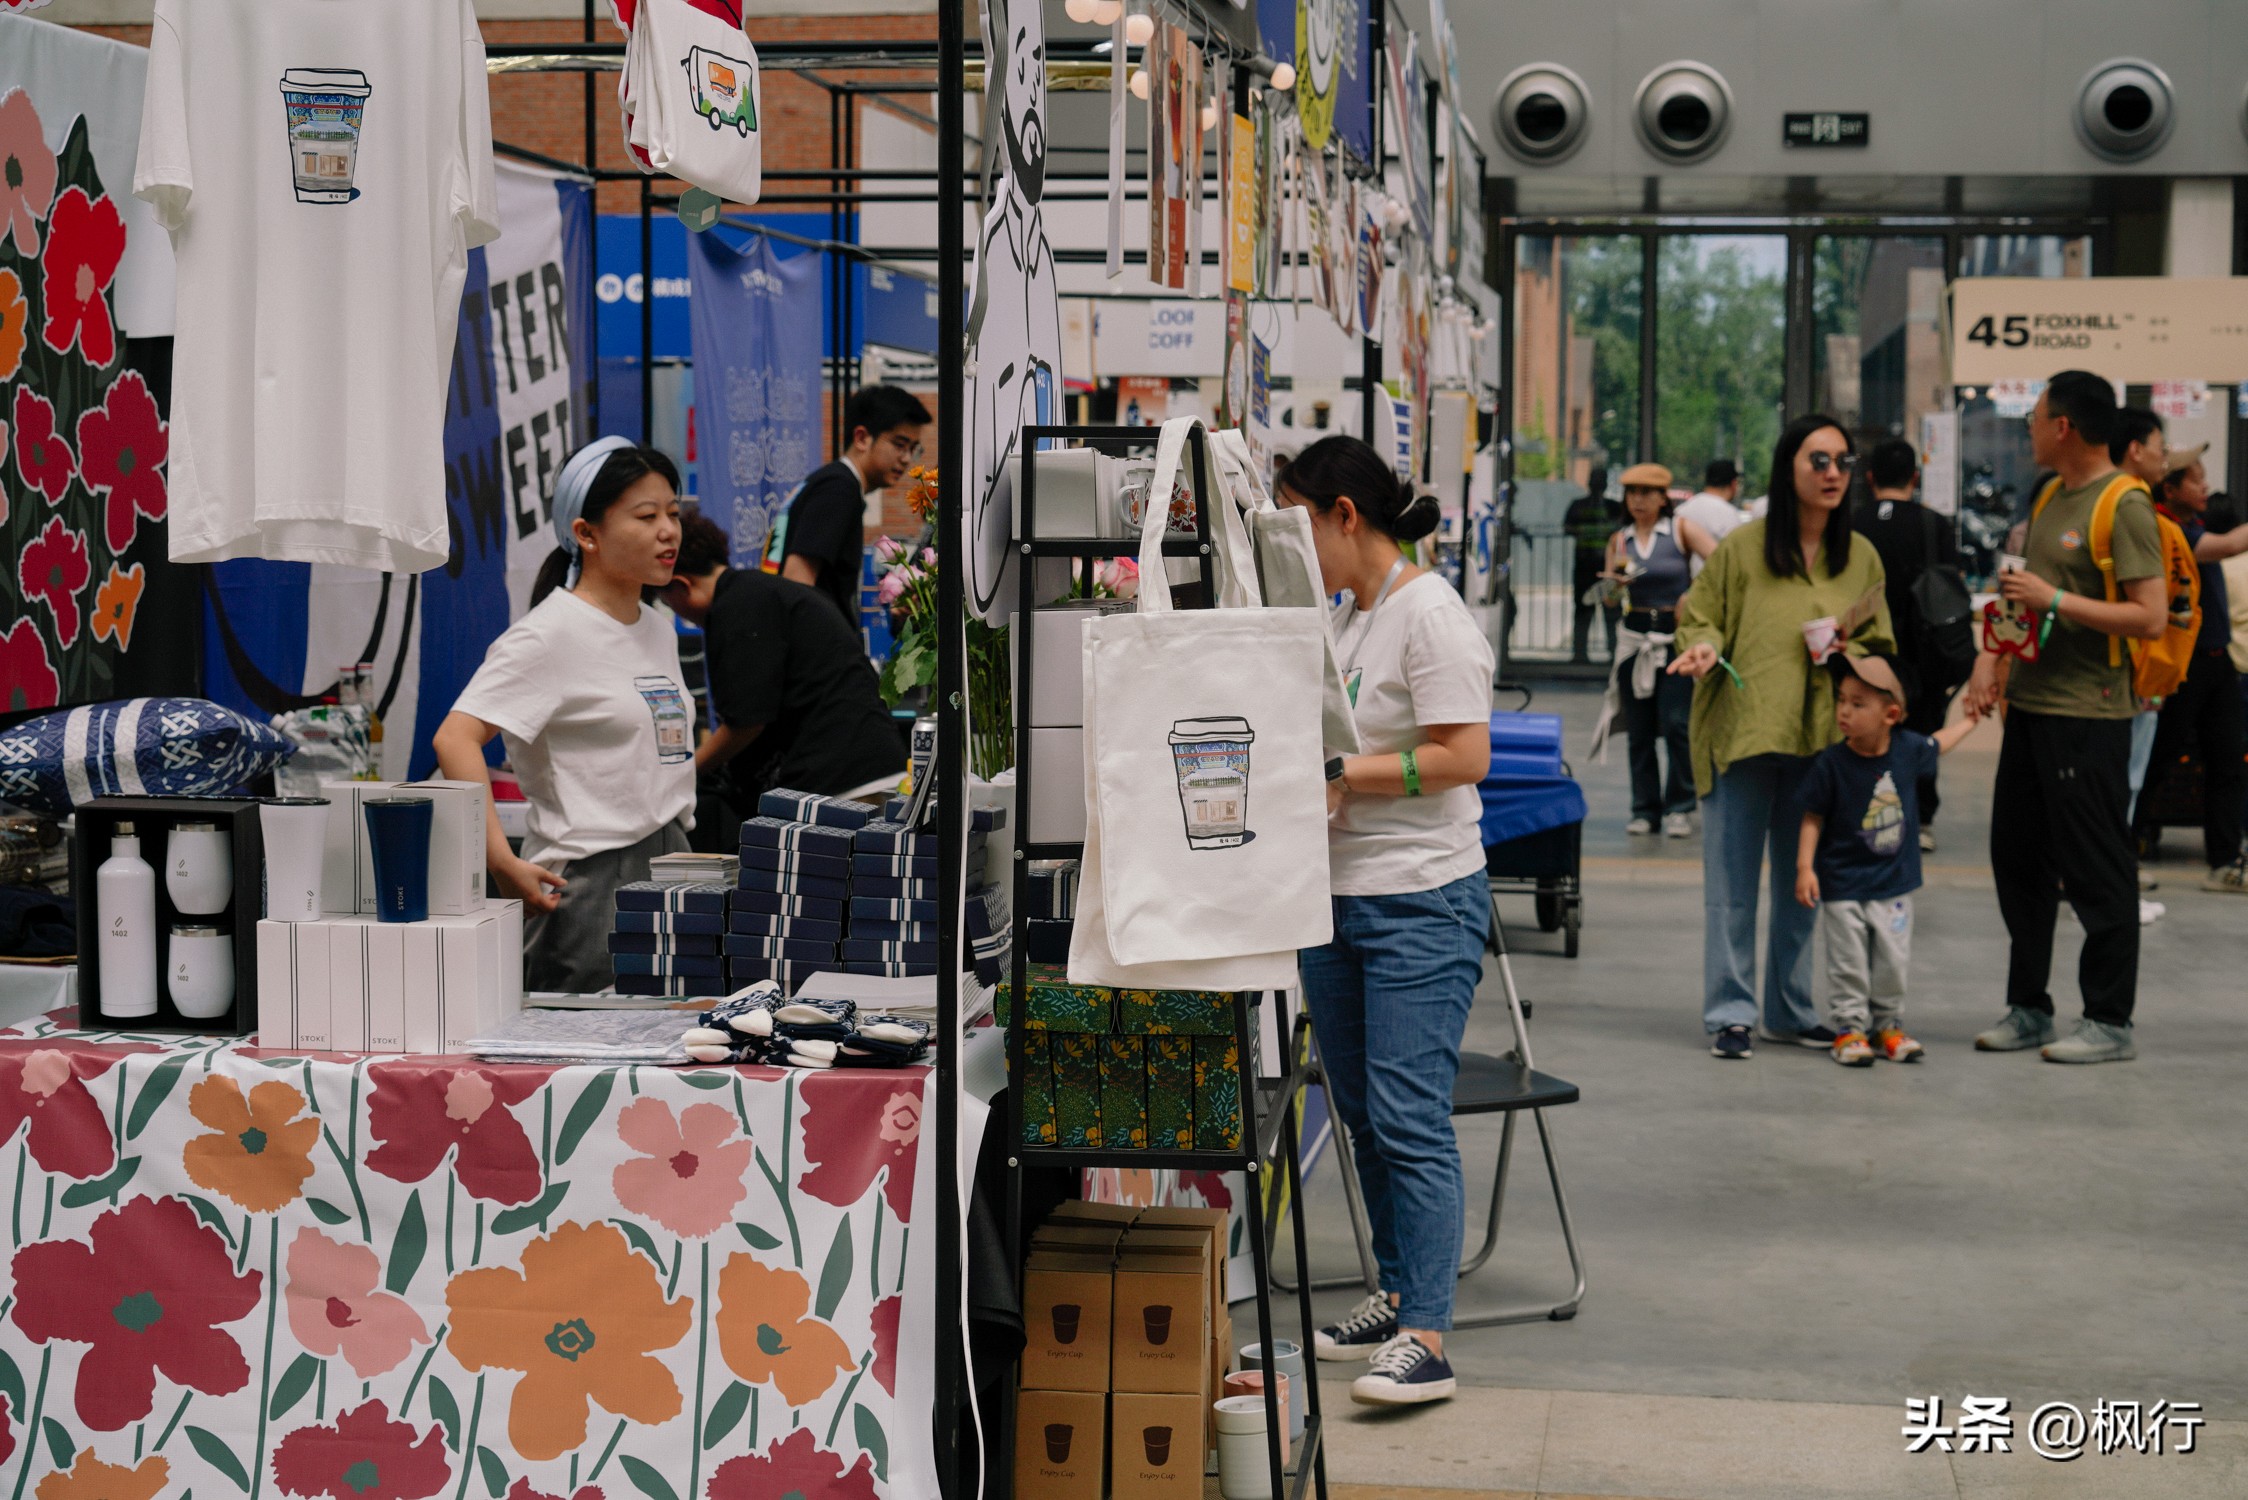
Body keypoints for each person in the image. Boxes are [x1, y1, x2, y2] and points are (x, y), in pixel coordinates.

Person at [1279, 434, 1494, 1409]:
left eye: (1295, 525)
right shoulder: (1347, 615)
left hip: (1419, 899)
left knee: (1408, 1119)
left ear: (1342, 516)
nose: (1293, 546)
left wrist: (1341, 775)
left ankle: (1428, 1337)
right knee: (1362, 1116)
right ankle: (1400, 1288)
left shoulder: (1428, 615)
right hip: (1340, 894)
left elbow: (1462, 756)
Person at [1669, 413, 1894, 1060]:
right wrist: (1705, 649)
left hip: (1824, 743)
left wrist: (1854, 650)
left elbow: (1882, 646)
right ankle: (1730, 1012)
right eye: (1818, 461)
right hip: (1742, 735)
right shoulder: (1744, 548)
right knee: (1732, 889)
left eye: (1843, 462)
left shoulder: (1862, 557)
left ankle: (1790, 1011)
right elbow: (1702, 617)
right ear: (1788, 467)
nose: (1832, 474)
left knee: (1803, 884)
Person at [434, 439, 695, 994]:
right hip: (592, 878)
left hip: (674, 863)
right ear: (586, 533)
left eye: (673, 513)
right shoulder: (548, 634)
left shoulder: (658, 626)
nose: (668, 531)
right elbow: (456, 737)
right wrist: (500, 862)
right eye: (646, 516)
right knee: (585, 1067)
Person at [1961, 371, 2168, 1065]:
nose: (2028, 426)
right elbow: (2020, 594)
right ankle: (2029, 1008)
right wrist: (1991, 662)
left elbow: (2149, 616)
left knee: (2096, 869)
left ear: (2064, 428)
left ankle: (2110, 1020)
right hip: (2032, 707)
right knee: (2018, 860)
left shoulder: (2123, 504)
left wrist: (2056, 600)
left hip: (2091, 715)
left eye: (2035, 415)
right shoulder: (2052, 495)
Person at [1794, 652, 1980, 1066]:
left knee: (1893, 962)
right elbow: (1812, 817)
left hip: (1893, 884)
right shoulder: (1831, 764)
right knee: (1848, 963)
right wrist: (1805, 868)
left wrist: (1971, 720)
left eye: (1858, 704)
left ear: (1890, 714)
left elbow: (1939, 742)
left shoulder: (1908, 751)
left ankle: (1887, 1025)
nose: (1844, 711)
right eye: (1842, 700)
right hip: (1842, 885)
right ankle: (1849, 1029)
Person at [661, 512, 907, 815]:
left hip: (845, 783)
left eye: (666, 599)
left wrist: (684, 772)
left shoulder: (738, 606)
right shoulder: (767, 592)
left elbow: (747, 720)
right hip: (872, 766)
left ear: (682, 585)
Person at [2134, 444, 2248, 891]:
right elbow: (2232, 544)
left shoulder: (2193, 524)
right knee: (2154, 761)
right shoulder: (2167, 529)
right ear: (2171, 487)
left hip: (2218, 661)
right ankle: (2125, 850)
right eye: (2196, 480)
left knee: (2228, 764)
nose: (2206, 488)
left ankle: (2224, 863)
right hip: (2181, 664)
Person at [1851, 437, 1966, 852]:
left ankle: (1866, 810)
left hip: (1867, 651)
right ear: (1914, 478)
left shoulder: (1853, 523)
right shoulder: (1934, 524)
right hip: (1924, 649)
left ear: (1869, 478)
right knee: (1923, 731)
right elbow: (1953, 587)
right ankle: (1920, 819)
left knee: (1863, 729)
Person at [1593, 463, 1717, 837]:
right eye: (1632, 493)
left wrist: (1693, 595)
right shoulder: (1620, 540)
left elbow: (1722, 561)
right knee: (1640, 729)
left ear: (1663, 498)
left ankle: (1679, 804)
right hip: (1634, 639)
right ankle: (1645, 809)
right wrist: (1613, 587)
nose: (1639, 500)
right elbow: (1611, 601)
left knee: (1678, 723)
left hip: (1673, 637)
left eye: (1647, 493)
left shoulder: (1679, 531)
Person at [774, 384, 932, 623]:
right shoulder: (838, 489)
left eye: (913, 449)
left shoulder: (834, 483)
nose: (907, 458)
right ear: (861, 438)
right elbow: (796, 584)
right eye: (899, 445)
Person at [2108, 409, 2169, 907]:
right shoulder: (2127, 504)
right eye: (2159, 447)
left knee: (2122, 781)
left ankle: (2110, 874)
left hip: (2134, 673)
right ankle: (2112, 879)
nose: (2163, 458)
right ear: (2134, 449)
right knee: (2121, 781)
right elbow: (2148, 617)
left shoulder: (2124, 501)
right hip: (2125, 674)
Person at [1564, 465, 1621, 663]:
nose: (1598, 485)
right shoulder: (1578, 505)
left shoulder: (1614, 507)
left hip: (1608, 568)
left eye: (1601, 480)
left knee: (1611, 612)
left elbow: (1621, 528)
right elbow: (1568, 527)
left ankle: (1614, 653)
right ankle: (1579, 654)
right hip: (1585, 565)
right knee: (1583, 611)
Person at [1674, 458, 1746, 576]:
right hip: (1716, 584)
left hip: (1684, 586)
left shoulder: (1681, 510)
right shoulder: (1729, 514)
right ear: (1734, 484)